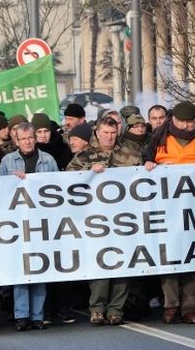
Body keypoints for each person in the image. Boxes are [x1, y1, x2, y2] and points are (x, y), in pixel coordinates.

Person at [144, 101, 195, 324]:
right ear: (172, 120)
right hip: (167, 209)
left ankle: (190, 307)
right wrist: (147, 164)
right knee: (170, 257)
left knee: (194, 256)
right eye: (181, 121)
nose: (186, 126)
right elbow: (145, 161)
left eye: (190, 122)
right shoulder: (158, 137)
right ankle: (170, 304)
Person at [67, 117, 142, 326]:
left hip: (124, 218)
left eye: (112, 133)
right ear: (97, 133)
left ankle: (116, 309)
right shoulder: (84, 156)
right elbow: (67, 182)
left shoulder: (132, 152)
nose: (109, 137)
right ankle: (97, 308)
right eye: (105, 133)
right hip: (96, 220)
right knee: (100, 263)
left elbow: (144, 179)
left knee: (122, 263)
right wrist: (89, 173)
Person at [0, 122, 59, 331]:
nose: (28, 142)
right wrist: (11, 182)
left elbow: (58, 189)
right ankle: (21, 315)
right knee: (21, 269)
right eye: (23, 139)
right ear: (16, 141)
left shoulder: (48, 160)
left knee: (40, 268)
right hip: (17, 223)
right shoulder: (7, 161)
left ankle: (37, 316)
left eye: (30, 137)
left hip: (41, 222)